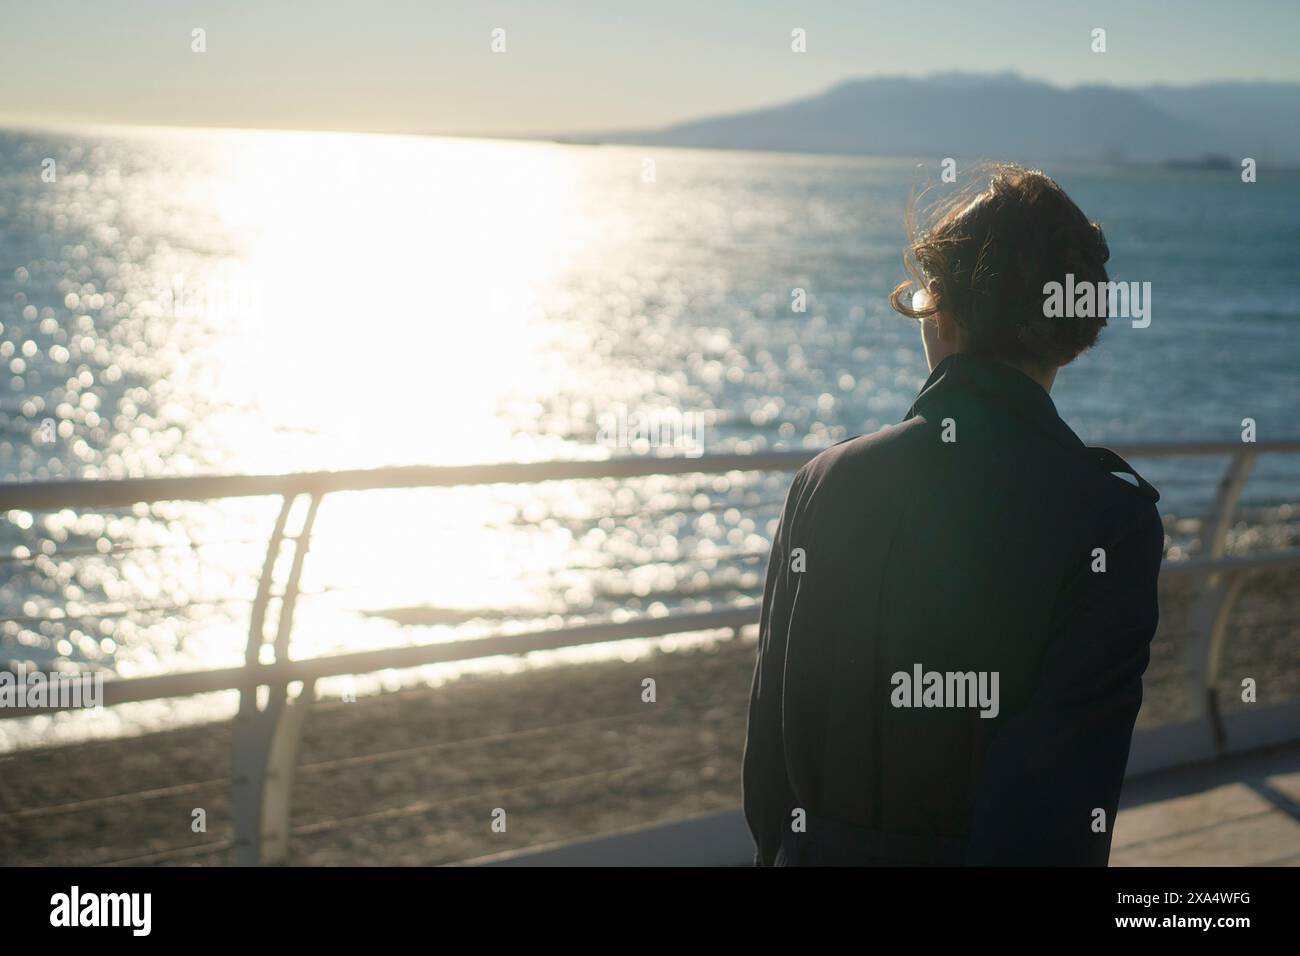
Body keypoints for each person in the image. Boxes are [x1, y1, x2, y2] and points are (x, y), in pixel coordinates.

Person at [742, 164, 1164, 866]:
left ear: (938, 312)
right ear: (1070, 333)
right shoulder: (1110, 519)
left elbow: (769, 767)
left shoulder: (827, 481)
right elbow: (1067, 798)